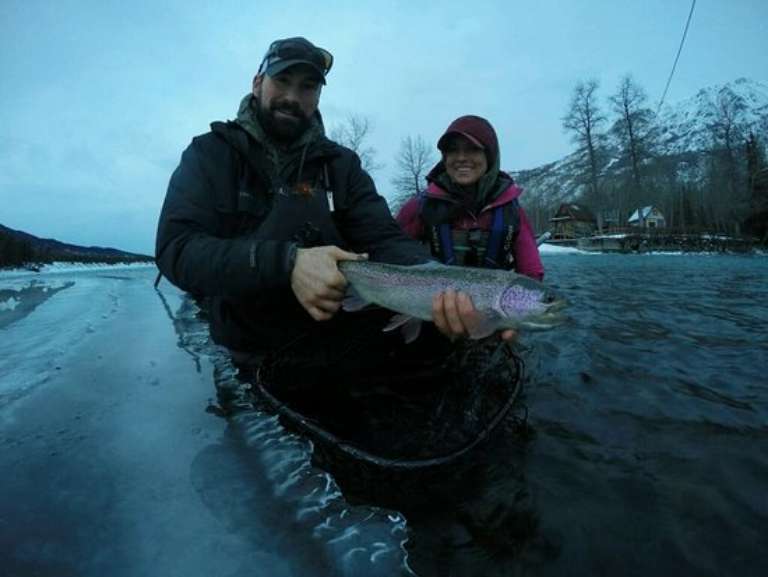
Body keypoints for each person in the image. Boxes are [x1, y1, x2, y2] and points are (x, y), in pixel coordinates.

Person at [155, 37, 490, 363]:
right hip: (247, 347)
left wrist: (435, 278)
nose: (292, 96)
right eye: (282, 80)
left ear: (317, 96)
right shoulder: (210, 153)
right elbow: (177, 250)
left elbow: (384, 238)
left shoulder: (342, 165)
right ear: (257, 83)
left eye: (307, 87)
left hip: (334, 339)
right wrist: (287, 261)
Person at [396, 115, 544, 289]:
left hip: (490, 309)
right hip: (429, 307)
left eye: (473, 149)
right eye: (452, 150)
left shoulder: (512, 211)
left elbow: (532, 274)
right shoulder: (419, 206)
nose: (461, 158)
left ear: (489, 156)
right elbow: (390, 252)